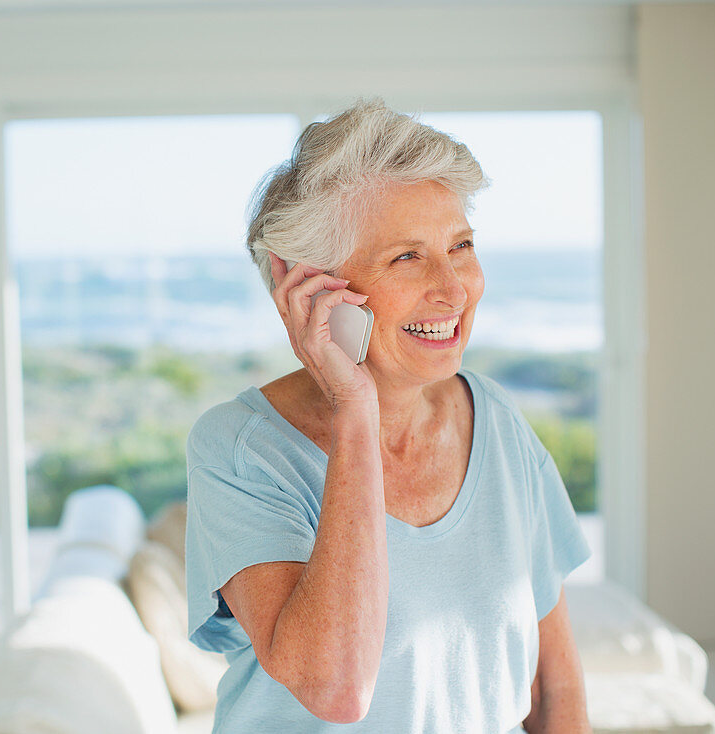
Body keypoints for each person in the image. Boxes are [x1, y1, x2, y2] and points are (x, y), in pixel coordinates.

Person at [184, 98, 593, 733]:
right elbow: (336, 687)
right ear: (311, 288)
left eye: (460, 245)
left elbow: (556, 687)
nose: (454, 288)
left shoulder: (499, 423)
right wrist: (355, 411)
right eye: (406, 256)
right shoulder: (239, 448)